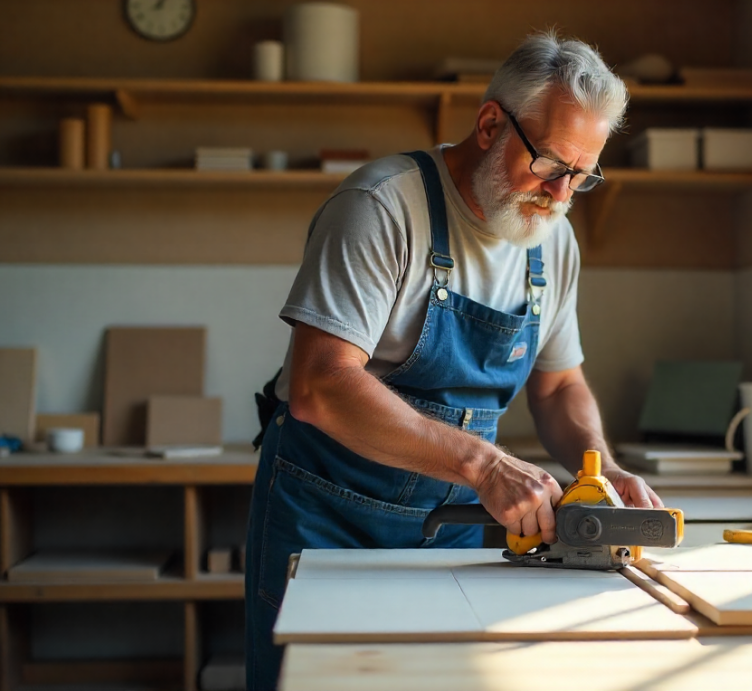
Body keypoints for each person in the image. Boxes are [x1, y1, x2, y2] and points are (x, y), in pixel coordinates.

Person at [244, 31, 662, 690]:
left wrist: (599, 465)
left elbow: (557, 387)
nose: (560, 195)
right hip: (327, 520)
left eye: (583, 176)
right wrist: (482, 462)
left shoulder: (553, 242)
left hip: (452, 529)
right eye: (552, 164)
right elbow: (320, 385)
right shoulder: (381, 206)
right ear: (491, 124)